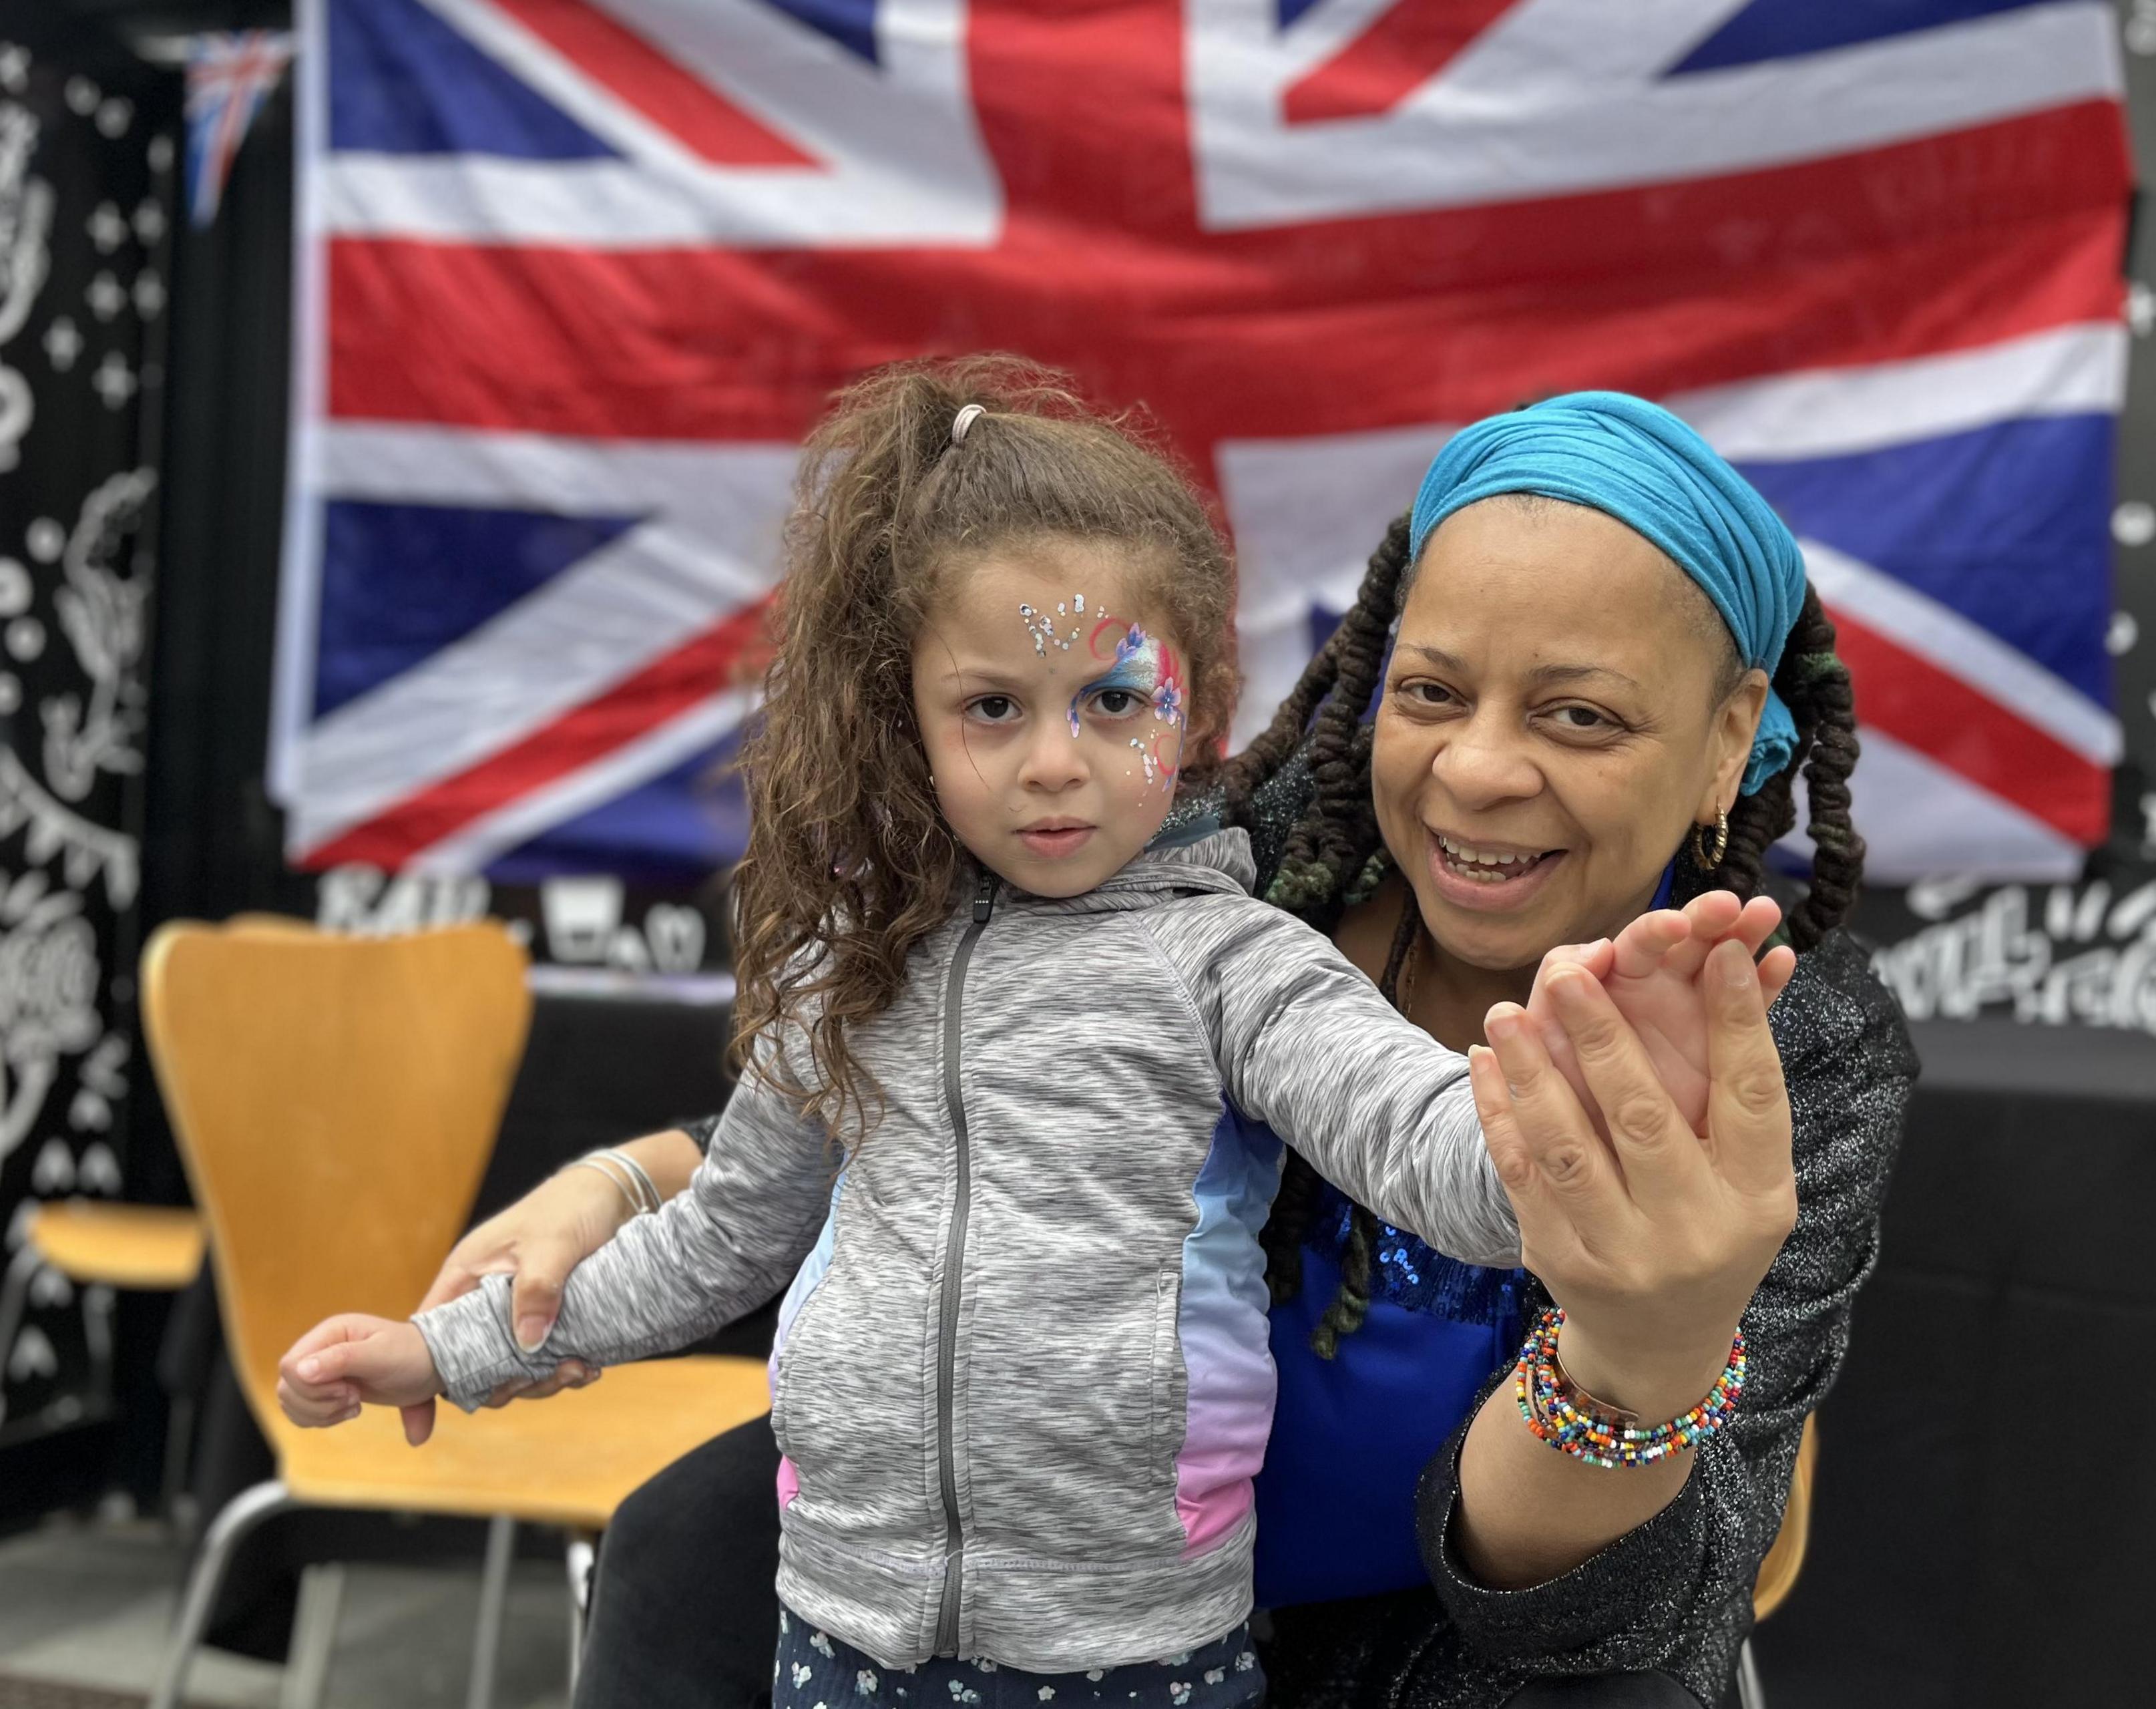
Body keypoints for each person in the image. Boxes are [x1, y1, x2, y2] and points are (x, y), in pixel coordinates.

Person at [405, 386, 1916, 1706]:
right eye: (1432, 690)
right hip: (1074, 1547)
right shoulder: (1229, 867)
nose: (1477, 767)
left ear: (1729, 737)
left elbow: (1621, 1599)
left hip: (1443, 1628)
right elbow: (959, 1081)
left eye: (1579, 715)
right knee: (687, 1539)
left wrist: (1637, 1346)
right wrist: (629, 1176)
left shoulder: (1791, 1044)